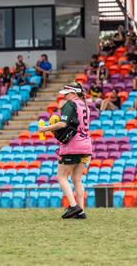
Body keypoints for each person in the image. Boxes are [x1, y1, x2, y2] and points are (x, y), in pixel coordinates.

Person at [37, 83, 92, 219]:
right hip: (86, 145)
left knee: (61, 177)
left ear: (73, 93)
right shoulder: (85, 105)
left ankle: (74, 207)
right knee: (77, 179)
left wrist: (45, 129)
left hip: (73, 146)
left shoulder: (70, 104)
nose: (65, 96)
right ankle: (81, 211)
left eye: (67, 93)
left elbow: (63, 123)